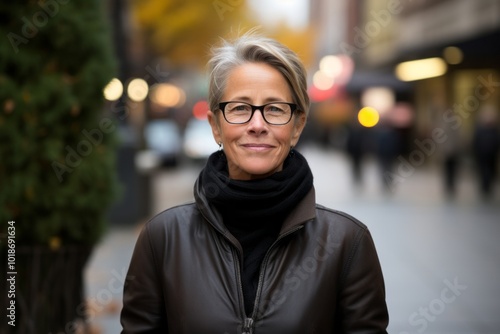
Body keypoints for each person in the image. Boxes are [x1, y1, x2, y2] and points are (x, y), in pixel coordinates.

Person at [120, 32, 389, 333]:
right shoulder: (164, 238)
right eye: (240, 108)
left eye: (275, 109)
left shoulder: (346, 243)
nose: (257, 125)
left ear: (297, 126)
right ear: (216, 126)